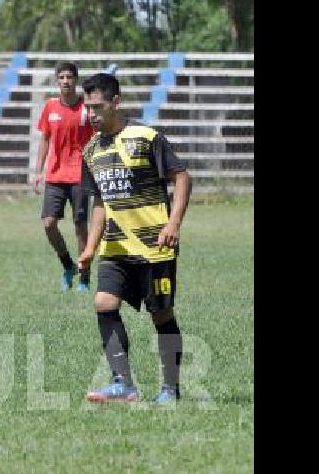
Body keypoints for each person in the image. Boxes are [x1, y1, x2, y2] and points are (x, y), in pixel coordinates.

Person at [75, 73, 192, 404]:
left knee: (161, 315)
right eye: (88, 108)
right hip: (115, 246)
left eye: (97, 107)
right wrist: (89, 248)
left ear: (116, 102)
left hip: (156, 247)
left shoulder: (146, 137)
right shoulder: (91, 150)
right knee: (103, 303)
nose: (91, 115)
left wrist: (174, 223)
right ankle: (122, 382)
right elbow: (100, 202)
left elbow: (181, 177)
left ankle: (170, 388)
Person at [34, 62, 96, 292]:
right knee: (49, 224)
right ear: (56, 81)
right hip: (55, 175)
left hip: (80, 175)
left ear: (76, 80)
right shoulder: (50, 107)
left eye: (69, 77)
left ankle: (84, 276)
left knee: (80, 226)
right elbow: (45, 139)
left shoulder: (86, 109)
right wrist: (38, 171)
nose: (65, 81)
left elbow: (96, 139)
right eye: (61, 77)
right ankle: (67, 264)